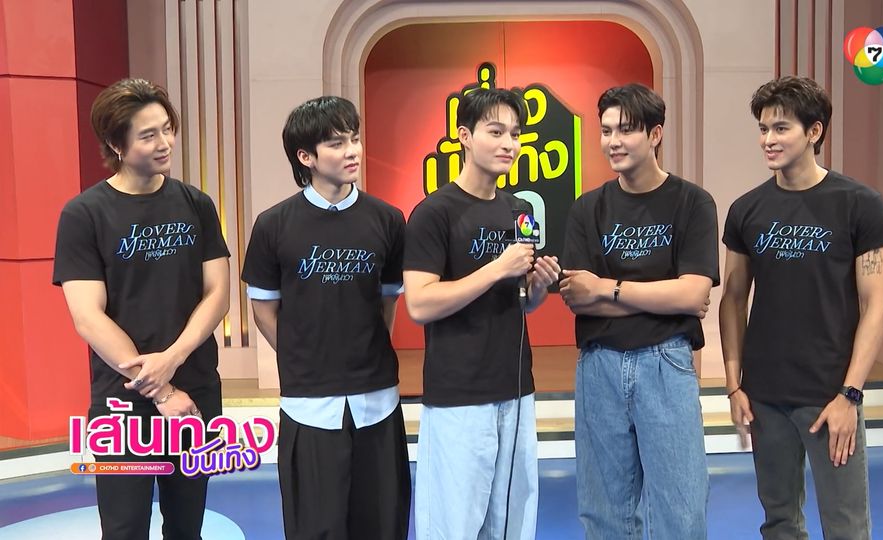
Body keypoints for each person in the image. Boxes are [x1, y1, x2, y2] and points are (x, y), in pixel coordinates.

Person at [53, 78, 231, 540]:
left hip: (196, 394)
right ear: (116, 144)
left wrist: (173, 359)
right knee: (124, 528)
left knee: (187, 526)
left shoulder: (196, 204)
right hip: (122, 403)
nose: (165, 143)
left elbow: (217, 293)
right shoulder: (84, 214)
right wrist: (162, 391)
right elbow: (88, 316)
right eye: (148, 135)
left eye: (167, 129)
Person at [719, 75, 883, 540]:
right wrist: (735, 386)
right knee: (779, 523)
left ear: (814, 132)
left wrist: (850, 395)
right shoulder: (746, 210)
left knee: (846, 526)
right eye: (763, 129)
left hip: (830, 395)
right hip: (765, 397)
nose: (768, 140)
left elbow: (875, 306)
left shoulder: (860, 204)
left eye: (781, 128)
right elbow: (733, 299)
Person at [241, 96, 410, 539]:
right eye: (336, 143)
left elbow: (388, 302)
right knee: (315, 527)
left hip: (377, 399)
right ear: (306, 157)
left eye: (354, 139)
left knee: (382, 524)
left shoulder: (388, 220)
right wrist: (302, 355)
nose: (352, 151)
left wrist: (367, 352)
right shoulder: (273, 225)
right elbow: (263, 310)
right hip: (308, 404)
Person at [559, 83, 718, 539]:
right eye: (606, 130)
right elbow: (578, 297)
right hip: (599, 367)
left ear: (655, 134)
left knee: (681, 513)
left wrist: (606, 289)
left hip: (666, 363)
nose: (613, 141)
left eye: (626, 130)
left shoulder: (693, 202)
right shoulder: (587, 208)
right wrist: (662, 298)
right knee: (604, 513)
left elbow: (693, 294)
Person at [403, 87, 561, 539]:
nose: (509, 143)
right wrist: (496, 269)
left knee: (512, 522)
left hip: (515, 388)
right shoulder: (433, 213)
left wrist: (538, 286)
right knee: (453, 524)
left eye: (515, 133)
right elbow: (419, 302)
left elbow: (521, 300)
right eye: (496, 132)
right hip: (458, 394)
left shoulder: (520, 210)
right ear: (465, 136)